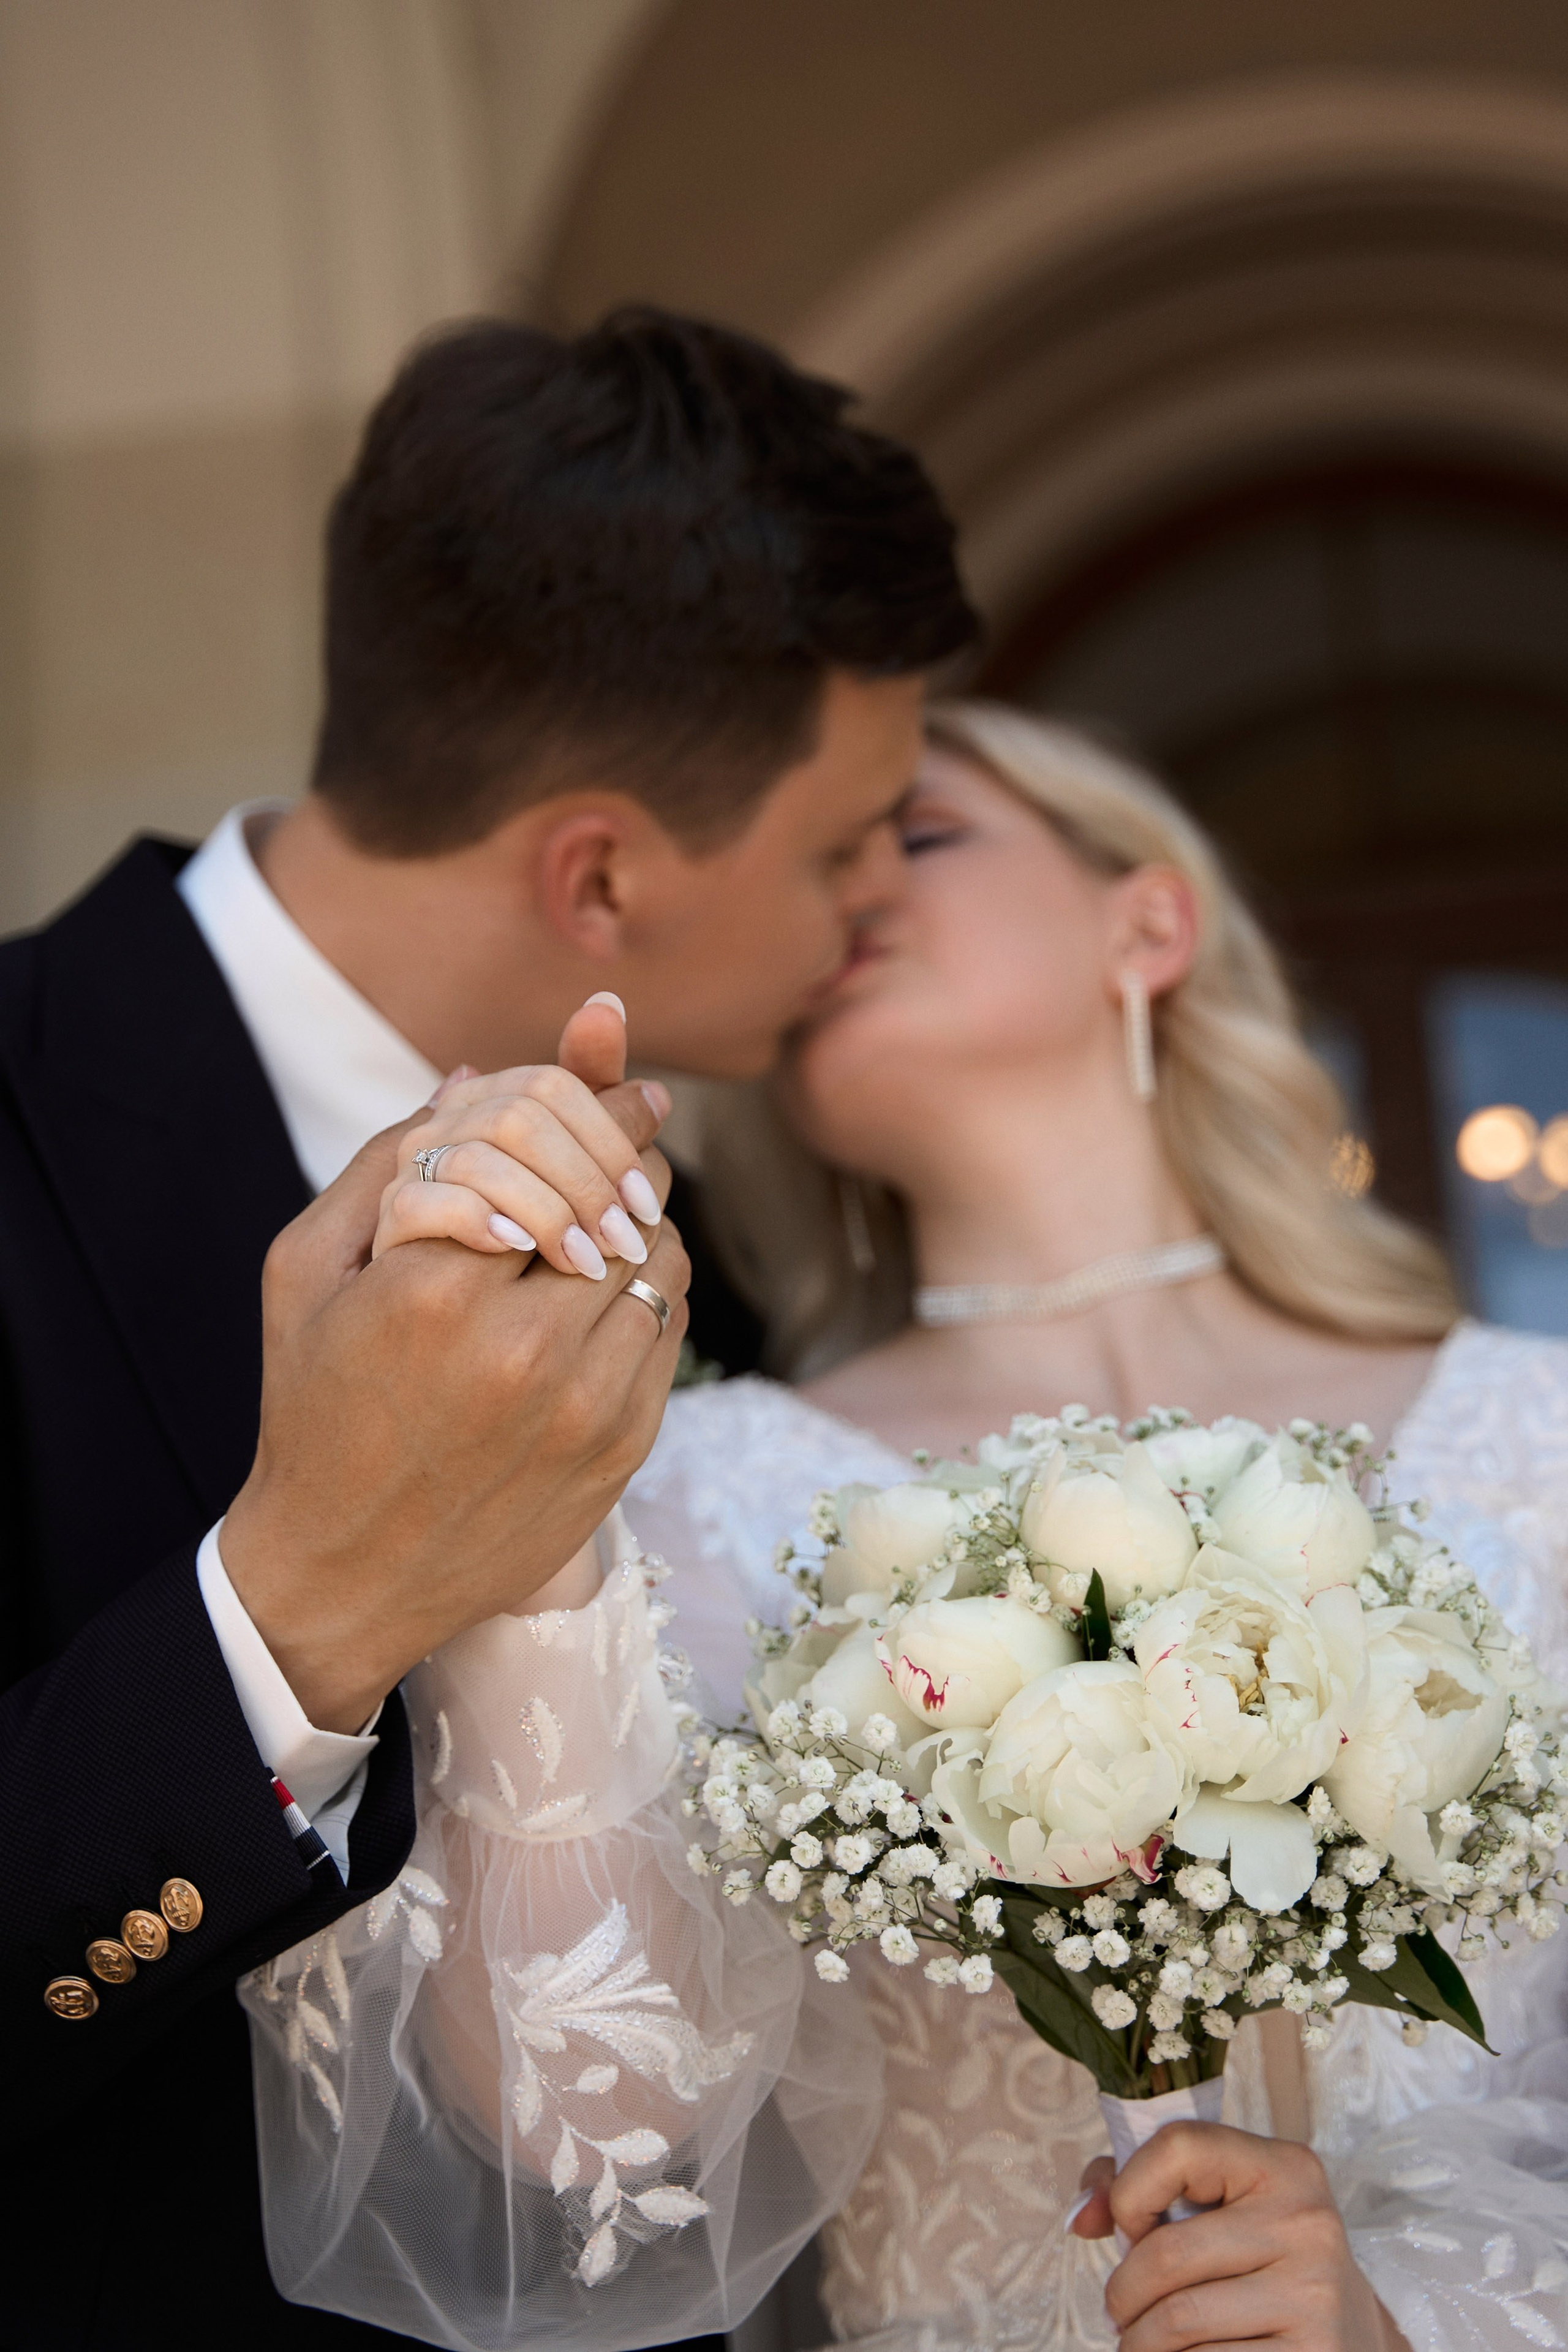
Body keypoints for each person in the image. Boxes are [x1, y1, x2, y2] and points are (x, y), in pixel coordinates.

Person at [1, 305, 975, 2351]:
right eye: (841, 843)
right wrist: (299, 1604)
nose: (879, 903)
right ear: (601, 879)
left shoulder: (711, 1236)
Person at [375, 705, 1568, 2350]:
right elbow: (589, 2115)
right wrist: (532, 1522)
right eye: (815, 856)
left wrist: (1403, 2326)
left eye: (919, 834)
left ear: (1147, 924)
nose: (853, 886)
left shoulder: (1541, 1434)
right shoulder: (678, 1485)